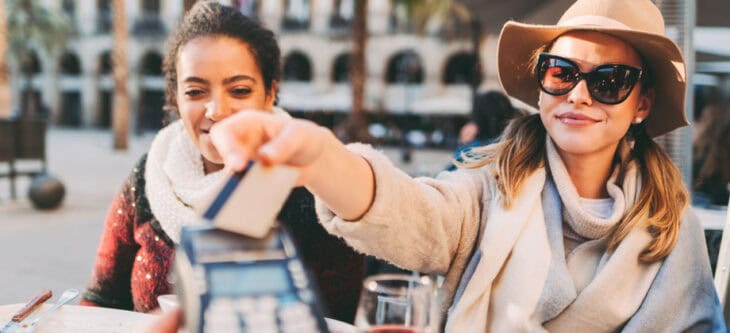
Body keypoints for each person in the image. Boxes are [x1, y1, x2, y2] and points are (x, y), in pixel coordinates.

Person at [204, 0, 726, 331]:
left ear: (641, 104)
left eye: (609, 81)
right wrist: (319, 155)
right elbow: (414, 213)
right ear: (542, 85)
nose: (580, 95)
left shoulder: (673, 228)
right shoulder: (489, 188)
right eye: (561, 72)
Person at [80, 1, 364, 323]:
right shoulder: (147, 177)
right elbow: (100, 298)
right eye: (195, 92)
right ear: (176, 98)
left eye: (240, 90)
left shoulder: (310, 183)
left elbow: (343, 318)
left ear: (270, 94)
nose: (216, 111)